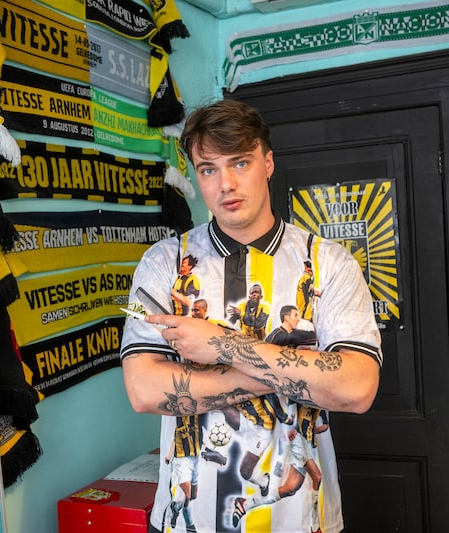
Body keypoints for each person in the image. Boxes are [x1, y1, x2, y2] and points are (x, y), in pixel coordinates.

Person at [120, 99, 381, 533]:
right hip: (187, 522)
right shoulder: (163, 263)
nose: (226, 184)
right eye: (208, 169)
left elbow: (357, 389)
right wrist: (294, 370)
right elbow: (144, 390)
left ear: (268, 163)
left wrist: (223, 346)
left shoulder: (329, 263)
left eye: (240, 162)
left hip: (303, 520)